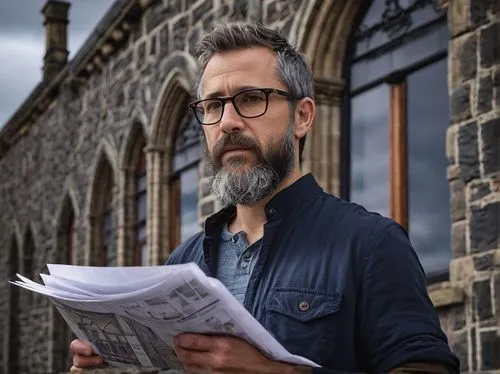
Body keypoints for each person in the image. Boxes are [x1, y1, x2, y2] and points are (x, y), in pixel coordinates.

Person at [70, 22, 460, 373]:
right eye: (212, 106)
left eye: (251, 98)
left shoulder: (370, 244)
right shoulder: (182, 263)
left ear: (302, 117)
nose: (227, 122)